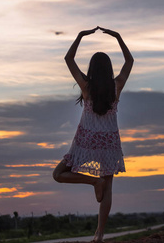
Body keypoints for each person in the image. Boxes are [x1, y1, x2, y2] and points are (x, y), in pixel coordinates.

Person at [53, 26, 134, 242]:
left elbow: (68, 59)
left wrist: (80, 36)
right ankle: (99, 234)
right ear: (108, 69)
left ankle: (92, 182)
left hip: (86, 140)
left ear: (92, 68)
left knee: (58, 174)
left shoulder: (86, 86)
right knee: (108, 188)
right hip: (108, 142)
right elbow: (129, 62)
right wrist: (118, 37)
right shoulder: (116, 85)